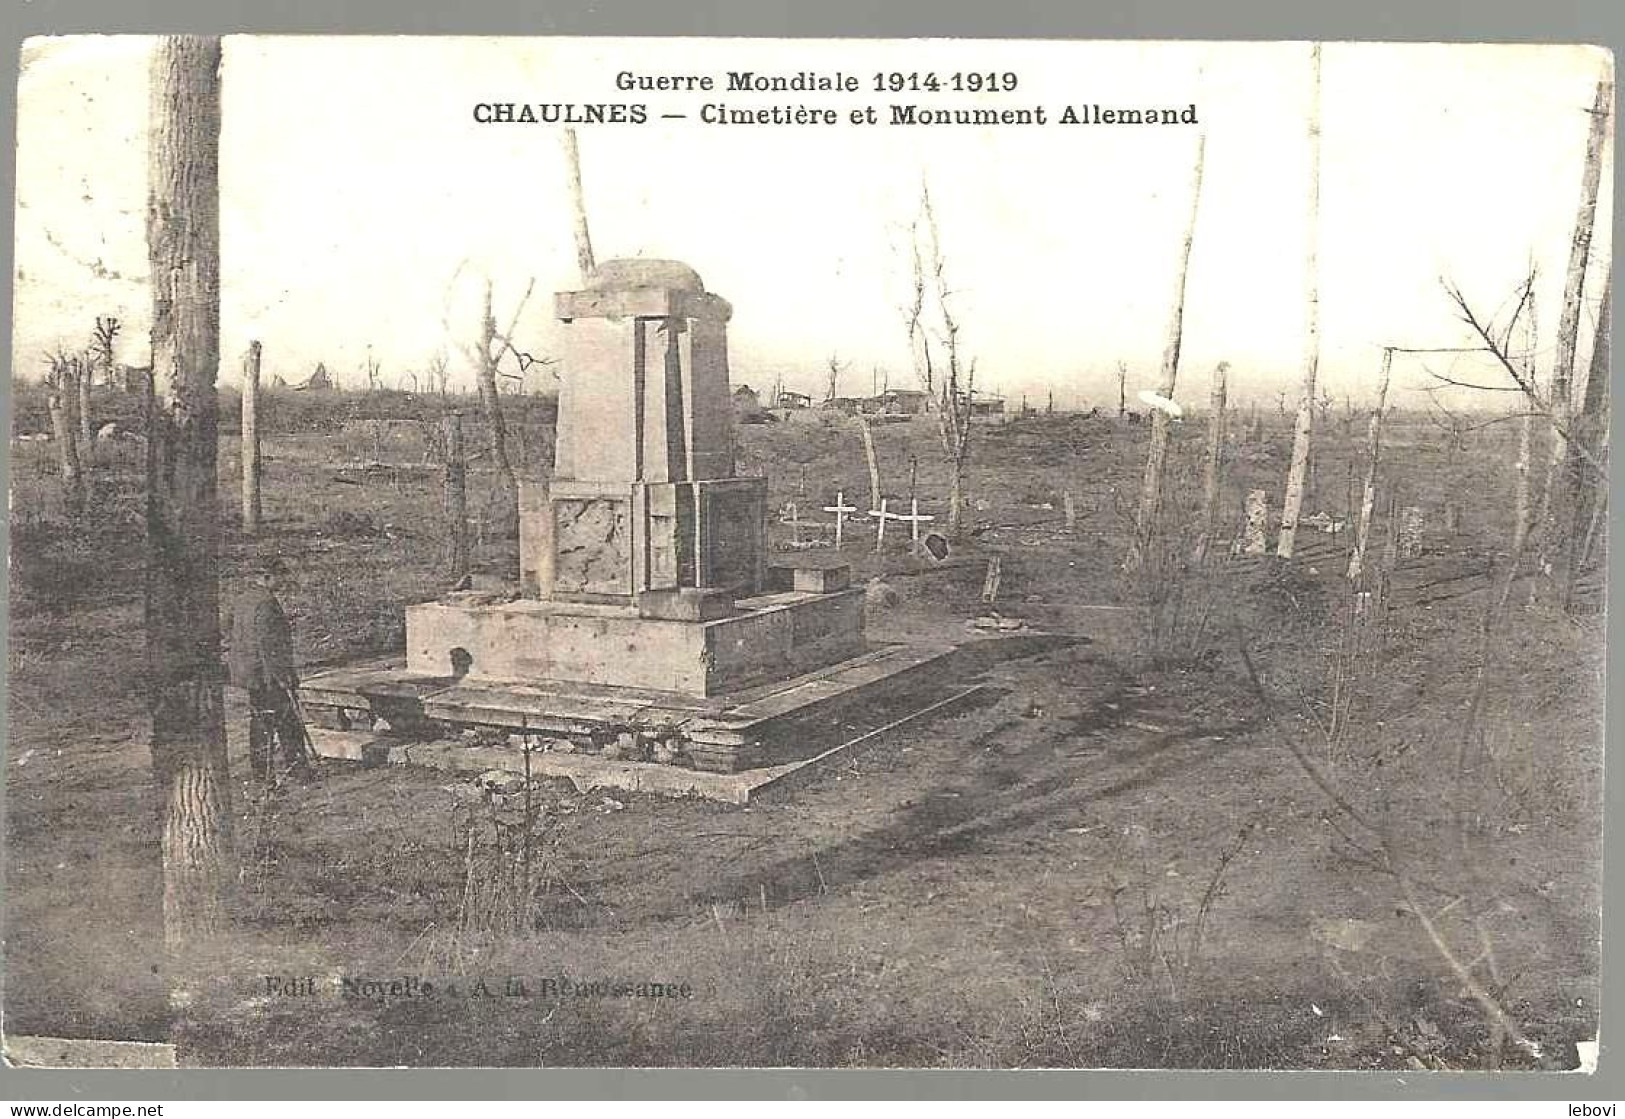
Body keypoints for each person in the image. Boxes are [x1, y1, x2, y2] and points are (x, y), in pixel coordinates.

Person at [228, 557, 314, 782]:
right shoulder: (266, 603)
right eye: (280, 576)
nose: (283, 582)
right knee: (288, 723)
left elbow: (233, 634)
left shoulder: (242, 600)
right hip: (268, 676)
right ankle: (298, 771)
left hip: (251, 675)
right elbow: (269, 646)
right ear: (267, 577)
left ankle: (264, 777)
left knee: (261, 725)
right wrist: (283, 677)